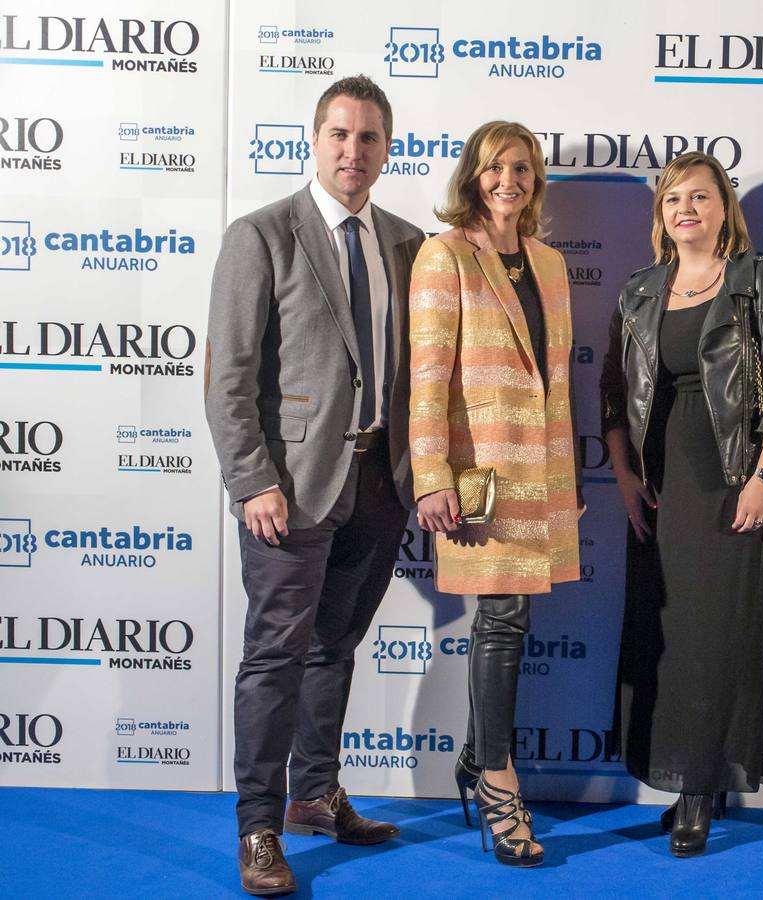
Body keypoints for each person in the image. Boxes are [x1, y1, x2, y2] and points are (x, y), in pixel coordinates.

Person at [205, 74, 424, 896]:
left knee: (337, 646)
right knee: (275, 656)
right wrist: (251, 479)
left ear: (387, 147)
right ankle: (259, 827)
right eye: (340, 134)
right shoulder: (262, 234)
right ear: (315, 138)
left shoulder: (407, 242)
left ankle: (314, 795)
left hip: (380, 482)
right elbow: (228, 376)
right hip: (288, 489)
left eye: (369, 138)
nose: (353, 151)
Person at [599, 151, 763, 858]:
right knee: (670, 635)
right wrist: (626, 479)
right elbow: (610, 394)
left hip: (733, 478)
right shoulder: (638, 292)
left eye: (699, 197)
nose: (685, 209)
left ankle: (699, 788)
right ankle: (677, 768)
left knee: (722, 634)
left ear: (725, 208)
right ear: (661, 217)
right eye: (672, 200)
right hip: (660, 487)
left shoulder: (762, 280)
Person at [408, 120, 582, 869]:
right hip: (476, 476)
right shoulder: (443, 253)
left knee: (512, 616)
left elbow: (558, 385)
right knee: (503, 617)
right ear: (471, 177)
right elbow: (426, 377)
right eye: (492, 168)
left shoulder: (547, 262)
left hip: (537, 474)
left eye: (521, 167)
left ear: (535, 178)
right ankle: (499, 780)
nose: (507, 180)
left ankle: (479, 760)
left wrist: (562, 483)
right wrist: (430, 477)